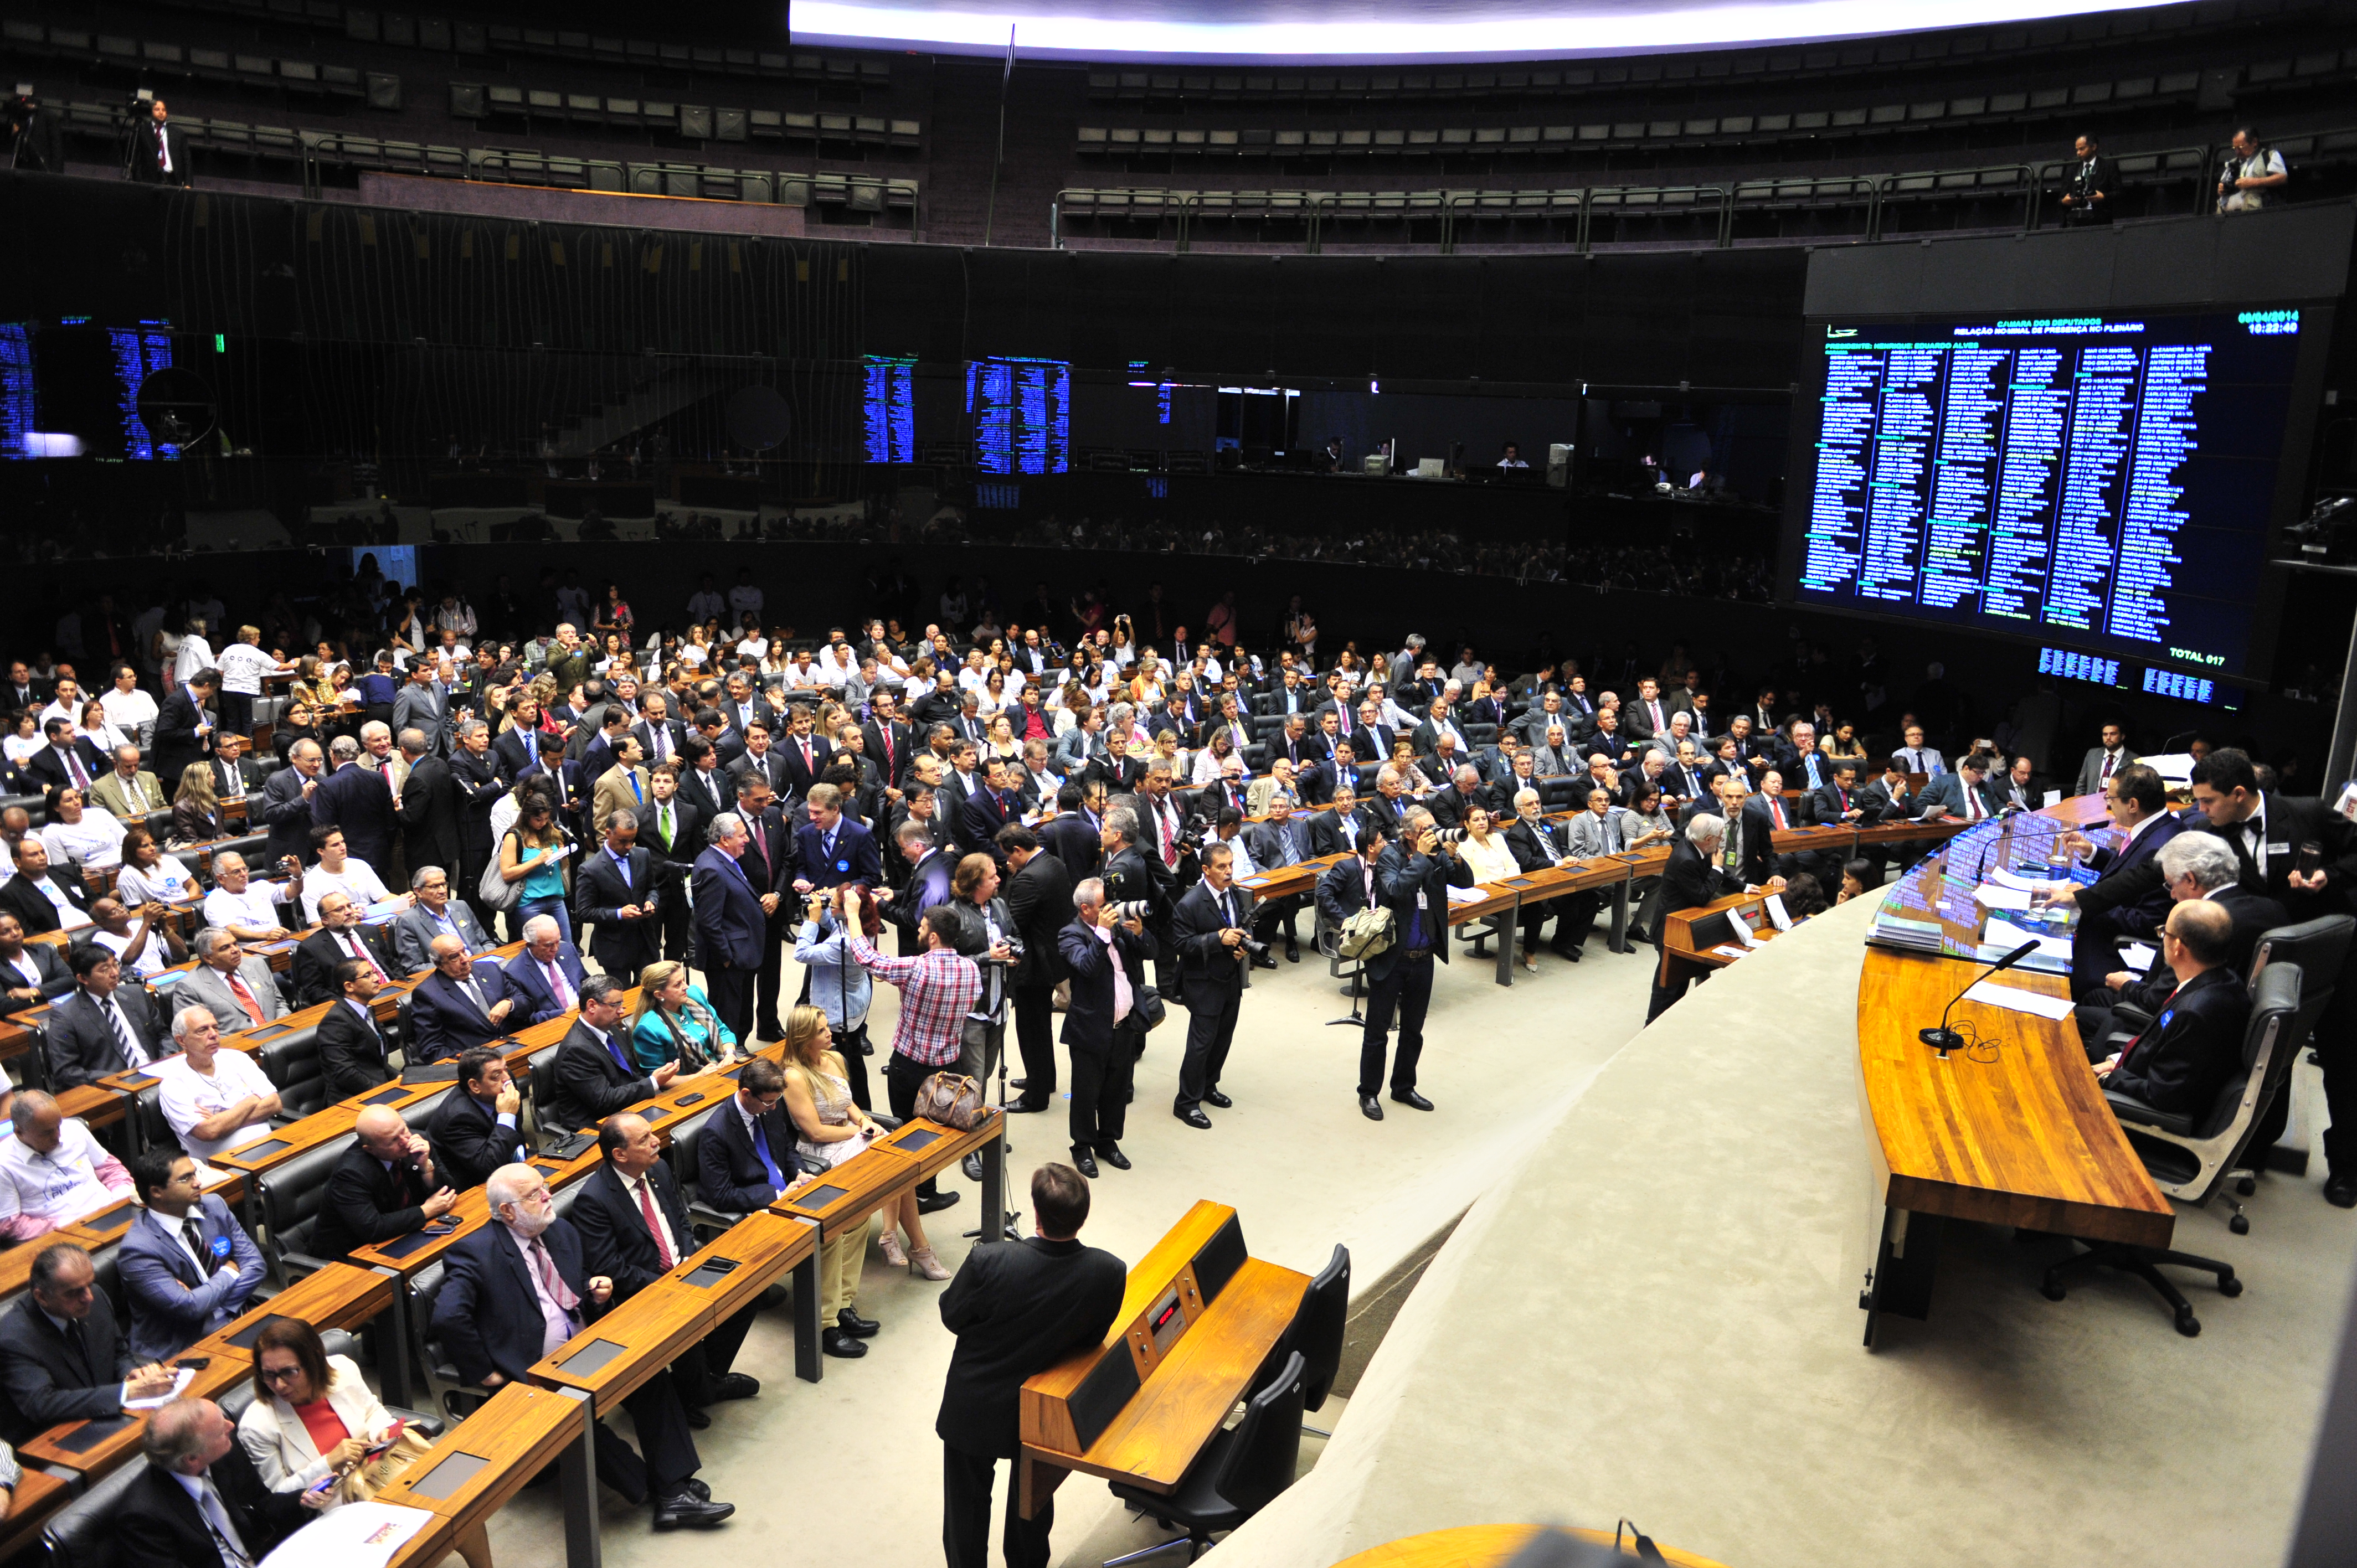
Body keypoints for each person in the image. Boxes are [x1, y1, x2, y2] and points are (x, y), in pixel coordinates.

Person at [434, 1162, 733, 1529]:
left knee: (648, 1377)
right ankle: (663, 1492)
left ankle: (673, 1484)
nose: (548, 1197)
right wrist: (485, 1372)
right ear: (507, 1211)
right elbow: (448, 1317)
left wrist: (597, 1293)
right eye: (534, 1194)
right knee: (578, 1415)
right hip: (535, 1366)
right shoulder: (475, 1252)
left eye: (545, 1188)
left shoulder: (559, 1230)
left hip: (585, 1344)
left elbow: (577, 1286)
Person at [936, 1163, 1125, 1568]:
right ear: (1083, 1216)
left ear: (1035, 1214)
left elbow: (952, 1316)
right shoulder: (1108, 1271)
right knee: (1032, 1506)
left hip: (977, 1407)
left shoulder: (989, 1261)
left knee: (967, 1507)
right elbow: (1093, 1337)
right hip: (1045, 1410)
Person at [573, 1113, 766, 1404]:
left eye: (652, 1134)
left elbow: (681, 1220)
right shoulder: (595, 1200)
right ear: (619, 1154)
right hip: (644, 1291)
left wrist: (689, 1257)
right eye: (644, 1140)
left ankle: (700, 1384)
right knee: (684, 1326)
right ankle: (701, 1393)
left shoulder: (658, 1169)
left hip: (685, 1269)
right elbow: (611, 1268)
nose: (655, 1143)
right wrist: (672, 1285)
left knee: (747, 1293)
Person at [779, 1005, 937, 1343]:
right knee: (890, 1166)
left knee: (893, 1166)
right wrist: (859, 1133)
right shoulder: (793, 1076)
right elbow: (817, 1132)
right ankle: (900, 1241)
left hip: (850, 1135)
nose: (830, 1034)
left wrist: (864, 1121)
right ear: (805, 1037)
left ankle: (847, 1300)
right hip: (821, 1150)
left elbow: (848, 1103)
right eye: (822, 1031)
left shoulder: (834, 1059)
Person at [843, 904, 981, 1215]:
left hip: (908, 1066)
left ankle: (904, 1196)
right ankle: (926, 1192)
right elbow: (973, 1001)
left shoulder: (916, 968)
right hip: (948, 1071)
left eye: (921, 929)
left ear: (933, 937)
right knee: (933, 1133)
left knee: (905, 1130)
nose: (917, 932)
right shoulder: (971, 969)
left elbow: (868, 959)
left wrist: (853, 915)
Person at [0, 1241, 174, 1442]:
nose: (88, 1297)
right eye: (74, 1293)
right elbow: (43, 1405)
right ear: (42, 1297)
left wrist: (131, 1374)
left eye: (90, 1284)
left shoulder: (96, 1298)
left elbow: (119, 1352)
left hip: (106, 1416)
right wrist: (127, 1392)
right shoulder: (13, 1337)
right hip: (55, 1437)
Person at [2040, 764, 2185, 996]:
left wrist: (2085, 901)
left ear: (2133, 805)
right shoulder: (2158, 827)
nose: (2108, 804)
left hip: (2114, 951)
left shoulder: (2160, 847)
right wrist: (2092, 853)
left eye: (2111, 798)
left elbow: (2148, 922)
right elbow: (2128, 872)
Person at [2095, 900, 2250, 1115]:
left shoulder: (2194, 1013)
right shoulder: (2222, 979)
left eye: (2164, 933)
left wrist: (2110, 1078)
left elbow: (2164, 1095)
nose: (2163, 939)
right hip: (2138, 1072)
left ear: (2178, 947)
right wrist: (2116, 1063)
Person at [119, 1148, 266, 1362]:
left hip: (237, 1312)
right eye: (185, 1179)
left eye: (195, 1174)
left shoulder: (214, 1205)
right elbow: (189, 1308)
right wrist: (228, 1272)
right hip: (186, 1344)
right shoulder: (139, 1250)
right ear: (157, 1192)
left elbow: (256, 1265)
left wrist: (215, 1306)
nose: (197, 1183)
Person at [236, 1317, 403, 1504]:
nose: (279, 1385)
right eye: (269, 1375)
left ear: (313, 1361)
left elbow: (372, 1412)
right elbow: (279, 1494)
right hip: (335, 1505)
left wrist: (382, 1431)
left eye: (289, 1372)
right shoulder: (256, 1426)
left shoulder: (344, 1368)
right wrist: (329, 1462)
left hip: (382, 1475)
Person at [1059, 875, 1154, 1175]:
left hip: (1123, 1025)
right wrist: (1101, 932)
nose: (1111, 910)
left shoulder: (1116, 930)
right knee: (1086, 1093)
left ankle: (1108, 1141)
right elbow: (1086, 967)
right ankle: (1082, 1147)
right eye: (1104, 906)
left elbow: (1152, 953)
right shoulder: (1070, 934)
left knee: (1116, 1090)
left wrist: (1139, 934)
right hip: (1090, 1029)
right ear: (1087, 909)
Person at [542, 974, 694, 1137]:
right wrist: (654, 1083)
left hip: (629, 1108)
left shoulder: (610, 1028)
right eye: (615, 1005)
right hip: (596, 1127)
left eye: (621, 1004)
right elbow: (605, 1101)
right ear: (592, 1006)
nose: (621, 1011)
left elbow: (632, 1072)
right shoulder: (575, 1051)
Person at [1169, 839, 1252, 1127]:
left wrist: (1243, 943)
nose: (1229, 872)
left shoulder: (1234, 894)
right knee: (1201, 1044)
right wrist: (1217, 939)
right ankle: (1186, 1102)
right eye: (1222, 867)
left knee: (1223, 1038)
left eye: (1230, 865)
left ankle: (1208, 1085)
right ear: (1206, 870)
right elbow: (1180, 944)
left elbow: (1242, 924)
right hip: (1203, 983)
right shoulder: (1189, 904)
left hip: (1230, 979)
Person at [308, 1105, 458, 1261]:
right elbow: (373, 1228)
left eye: (404, 1129)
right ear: (370, 1149)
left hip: (403, 1237)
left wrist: (425, 1167)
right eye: (393, 1140)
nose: (405, 1140)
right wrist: (426, 1210)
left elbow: (451, 1192)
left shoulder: (417, 1142)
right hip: (347, 1259)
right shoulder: (350, 1174)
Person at [1648, 813, 1751, 1022]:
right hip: (1670, 929)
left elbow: (1714, 869)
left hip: (1683, 925)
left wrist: (1744, 887)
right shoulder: (1686, 859)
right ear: (1708, 840)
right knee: (1668, 985)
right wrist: (1717, 869)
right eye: (1720, 837)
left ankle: (1667, 1024)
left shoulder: (1696, 845)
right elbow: (1702, 896)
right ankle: (1651, 1026)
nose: (1722, 840)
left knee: (1679, 982)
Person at [152, 1006, 281, 1162]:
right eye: (202, 1030)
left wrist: (220, 1120)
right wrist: (251, 1101)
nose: (213, 1035)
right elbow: (209, 1132)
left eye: (215, 1028)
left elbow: (275, 1104)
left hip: (271, 1147)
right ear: (181, 1040)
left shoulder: (237, 1058)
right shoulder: (173, 1085)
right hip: (224, 1165)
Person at [691, 810, 770, 1046]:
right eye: (742, 835)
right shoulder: (711, 869)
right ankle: (729, 1059)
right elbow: (708, 922)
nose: (747, 839)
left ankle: (740, 1047)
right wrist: (727, 958)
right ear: (725, 840)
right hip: (729, 961)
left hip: (742, 955)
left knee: (741, 1008)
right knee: (728, 1014)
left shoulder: (726, 861)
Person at [44, 944, 164, 1089]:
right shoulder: (66, 1017)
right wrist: (120, 1079)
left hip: (161, 1075)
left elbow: (163, 1034)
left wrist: (166, 1061)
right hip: (116, 1088)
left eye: (116, 965)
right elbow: (66, 1072)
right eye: (105, 970)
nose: (115, 973)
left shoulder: (136, 994)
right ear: (83, 978)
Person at [578, 809, 663, 981]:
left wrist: (651, 902)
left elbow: (651, 888)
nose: (629, 846)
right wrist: (619, 913)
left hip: (645, 942)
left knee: (651, 993)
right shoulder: (590, 869)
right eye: (623, 841)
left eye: (632, 840)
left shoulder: (642, 855)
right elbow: (584, 912)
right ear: (608, 833)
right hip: (615, 948)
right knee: (622, 1002)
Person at [428, 1046, 530, 1191]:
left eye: (505, 1069)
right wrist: (507, 1116)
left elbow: (517, 1130)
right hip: (477, 1186)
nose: (507, 1079)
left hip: (512, 1164)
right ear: (475, 1085)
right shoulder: (458, 1119)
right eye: (496, 1076)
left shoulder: (506, 1081)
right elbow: (488, 1166)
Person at [410, 935, 520, 1062]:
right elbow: (431, 1050)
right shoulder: (428, 994)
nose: (465, 960)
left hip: (514, 1046)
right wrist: (473, 1061)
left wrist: (509, 1004)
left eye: (464, 951)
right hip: (477, 1063)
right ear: (439, 965)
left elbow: (525, 1002)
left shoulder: (490, 969)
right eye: (454, 957)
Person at [629, 958, 739, 1071]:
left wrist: (729, 1055)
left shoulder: (694, 995)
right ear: (659, 994)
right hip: (692, 1081)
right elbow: (656, 1076)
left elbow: (722, 1031)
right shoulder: (648, 1028)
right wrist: (698, 1077)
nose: (686, 986)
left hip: (723, 1066)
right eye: (678, 985)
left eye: (684, 980)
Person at [173, 928, 287, 1033]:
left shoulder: (257, 965)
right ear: (208, 958)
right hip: (235, 1047)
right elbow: (196, 1033)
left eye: (235, 944)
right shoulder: (189, 987)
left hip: (277, 1035)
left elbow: (280, 1003)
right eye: (225, 948)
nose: (235, 950)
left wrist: (281, 1027)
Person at [390, 863, 494, 972]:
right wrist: (453, 968)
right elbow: (413, 967)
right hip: (449, 976)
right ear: (418, 891)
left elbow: (486, 943)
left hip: (482, 965)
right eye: (434, 886)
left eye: (444, 884)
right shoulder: (408, 921)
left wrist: (489, 960)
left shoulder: (460, 907)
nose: (443, 891)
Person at [317, 958, 395, 1097]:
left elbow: (378, 1063)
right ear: (349, 986)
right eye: (367, 976)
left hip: (378, 1086)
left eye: (374, 973)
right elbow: (345, 1074)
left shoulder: (366, 1011)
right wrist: (385, 1091)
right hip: (354, 1098)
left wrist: (400, 1078)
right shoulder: (336, 1022)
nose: (377, 979)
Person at [502, 913, 587, 1027]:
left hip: (587, 1013)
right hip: (556, 1024)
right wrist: (565, 1013)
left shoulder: (567, 949)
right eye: (549, 945)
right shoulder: (515, 973)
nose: (556, 949)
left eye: (558, 942)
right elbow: (527, 1018)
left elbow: (587, 982)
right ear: (530, 945)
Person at [0, 912, 70, 1013]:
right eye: (5, 932)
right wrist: (50, 995)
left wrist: (32, 992)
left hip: (61, 1007)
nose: (15, 933)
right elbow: (4, 1006)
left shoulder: (43, 950)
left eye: (17, 927)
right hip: (23, 1018)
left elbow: (69, 980)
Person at [2216, 125, 2288, 213]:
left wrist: (2255, 182)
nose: (2237, 152)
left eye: (2241, 148)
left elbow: (2282, 178)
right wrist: (2222, 189)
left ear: (2254, 142)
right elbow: (2222, 188)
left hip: (2259, 211)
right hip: (2230, 214)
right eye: (2235, 148)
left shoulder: (2268, 156)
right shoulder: (2233, 163)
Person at [2057, 131, 2116, 224]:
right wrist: (2066, 201)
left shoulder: (2108, 166)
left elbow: (2118, 193)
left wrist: (2103, 197)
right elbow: (2061, 199)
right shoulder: (2072, 170)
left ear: (2094, 147)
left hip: (2098, 216)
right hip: (2074, 217)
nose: (2079, 153)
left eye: (2082, 149)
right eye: (2077, 150)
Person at [2073, 723, 2138, 797]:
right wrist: (2078, 804)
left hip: (2117, 806)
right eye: (2105, 734)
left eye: (2113, 734)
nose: (2108, 738)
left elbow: (2134, 791)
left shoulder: (2134, 760)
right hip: (2091, 804)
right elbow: (2081, 785)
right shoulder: (2092, 755)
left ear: (2122, 737)